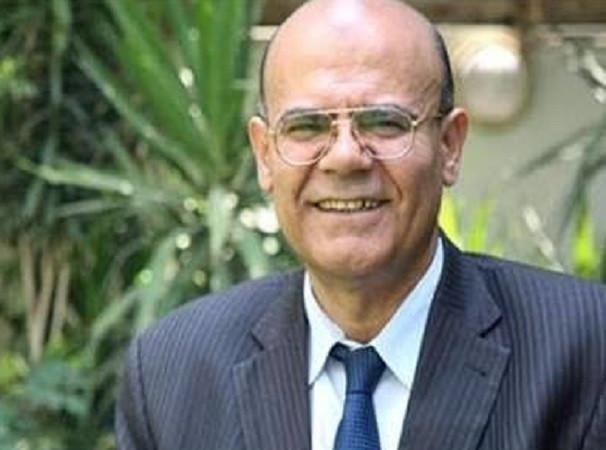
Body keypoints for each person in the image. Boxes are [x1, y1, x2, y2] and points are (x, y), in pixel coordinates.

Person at [115, 0, 606, 449]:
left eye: (384, 122)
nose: (346, 157)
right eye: (307, 126)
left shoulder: (586, 351)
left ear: (449, 146)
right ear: (265, 154)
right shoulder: (171, 375)